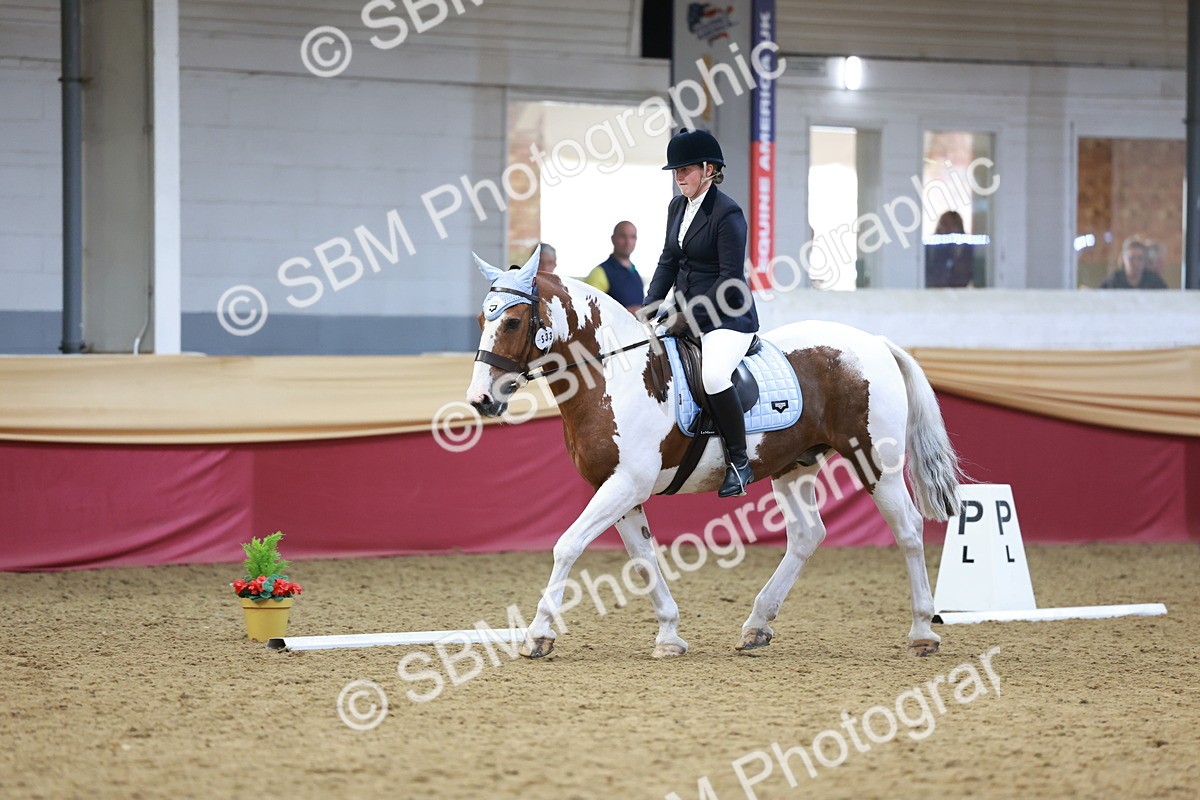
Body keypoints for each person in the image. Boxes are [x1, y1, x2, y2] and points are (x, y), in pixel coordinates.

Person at [643, 128, 760, 498]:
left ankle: (740, 464)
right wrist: (648, 308)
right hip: (683, 309)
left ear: (709, 169)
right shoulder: (677, 207)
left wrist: (687, 319)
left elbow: (728, 281)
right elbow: (668, 260)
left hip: (726, 315)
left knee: (712, 377)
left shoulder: (728, 214)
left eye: (686, 170)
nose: (678, 178)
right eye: (675, 171)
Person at [584, 221, 643, 311]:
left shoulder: (635, 272)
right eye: (623, 236)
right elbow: (587, 310)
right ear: (613, 239)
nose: (628, 241)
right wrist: (626, 313)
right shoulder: (599, 272)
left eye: (632, 237)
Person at [1098, 237, 1167, 289]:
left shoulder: (1154, 281)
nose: (1135, 263)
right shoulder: (1114, 281)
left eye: (1140, 259)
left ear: (1145, 260)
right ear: (1123, 258)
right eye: (1131, 258)